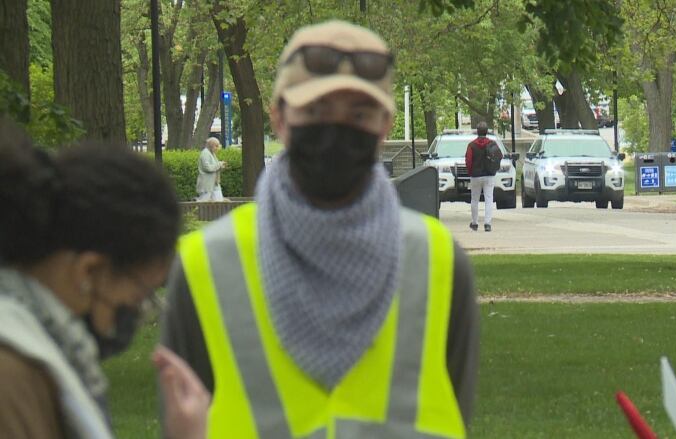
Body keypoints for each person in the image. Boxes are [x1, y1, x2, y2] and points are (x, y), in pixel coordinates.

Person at [162, 20, 478, 438]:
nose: (336, 129)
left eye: (358, 114)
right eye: (316, 111)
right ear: (278, 118)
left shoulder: (436, 259)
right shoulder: (206, 264)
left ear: (385, 125)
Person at [0, 121, 209, 439]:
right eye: (141, 295)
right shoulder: (14, 379)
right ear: (88, 272)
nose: (137, 314)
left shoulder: (40, 359)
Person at [465, 121, 502, 232]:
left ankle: (475, 222)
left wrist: (470, 172)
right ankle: (487, 223)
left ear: (477, 131)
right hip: (489, 175)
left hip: (476, 176)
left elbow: (468, 161)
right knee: (489, 199)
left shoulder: (471, 145)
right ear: (486, 132)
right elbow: (500, 156)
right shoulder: (492, 143)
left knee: (474, 200)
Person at [196, 137, 227, 202]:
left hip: (215, 183)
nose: (218, 148)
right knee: (203, 203)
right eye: (216, 146)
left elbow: (215, 167)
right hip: (207, 184)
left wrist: (221, 166)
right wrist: (219, 164)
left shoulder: (212, 153)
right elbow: (208, 168)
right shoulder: (205, 153)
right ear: (211, 145)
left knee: (219, 202)